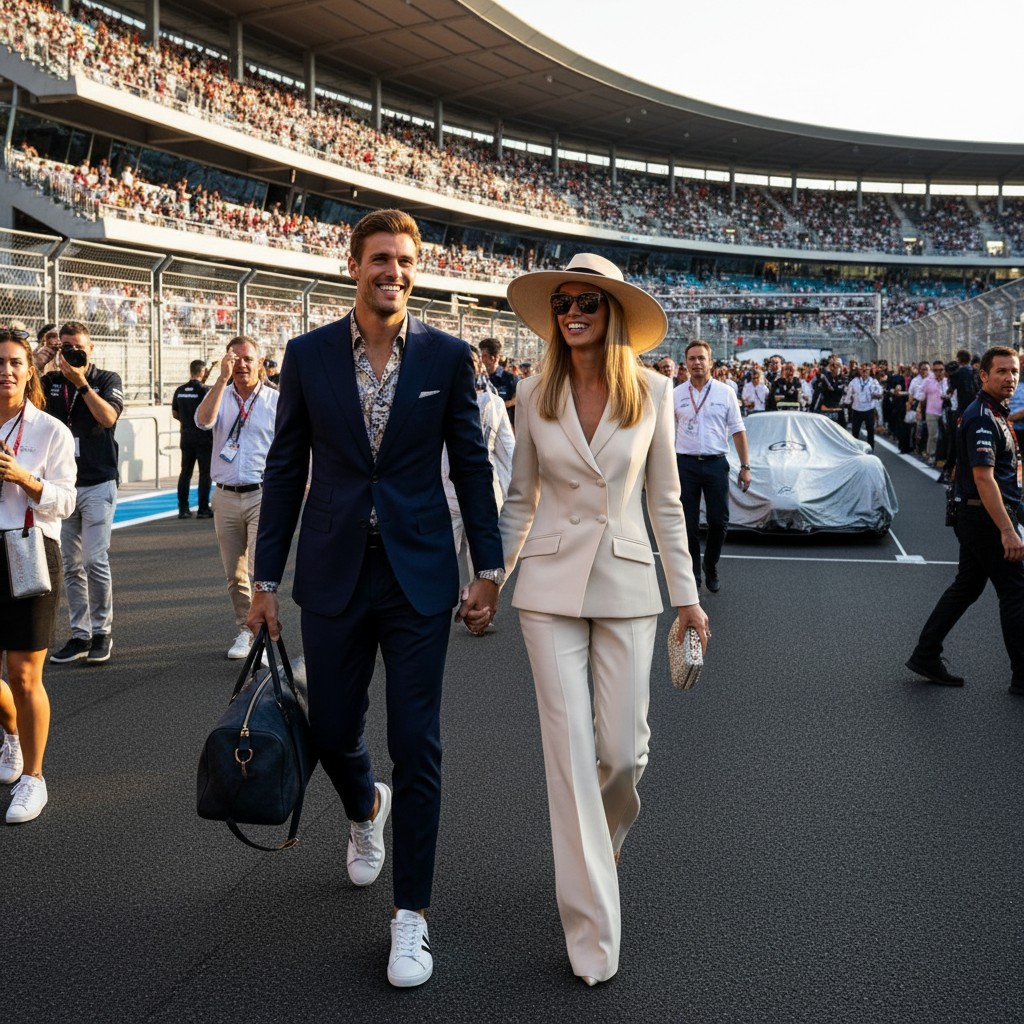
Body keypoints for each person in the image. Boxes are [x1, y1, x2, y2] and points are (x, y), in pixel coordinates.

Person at [246, 209, 503, 989]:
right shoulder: (307, 355)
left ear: (414, 271)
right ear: (352, 265)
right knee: (328, 729)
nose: (393, 271)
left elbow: (471, 468)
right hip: (331, 571)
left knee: (417, 743)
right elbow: (286, 470)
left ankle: (411, 918)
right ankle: (365, 810)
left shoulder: (450, 357)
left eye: (405, 261)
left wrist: (488, 569)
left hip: (419, 575)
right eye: (380, 259)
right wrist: (263, 582)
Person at [490, 253, 707, 986]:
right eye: (563, 303)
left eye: (587, 301)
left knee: (623, 752)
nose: (573, 311)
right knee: (570, 762)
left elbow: (667, 501)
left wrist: (688, 596)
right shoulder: (531, 390)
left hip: (629, 586)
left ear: (611, 310)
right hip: (546, 591)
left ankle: (600, 845)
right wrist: (492, 576)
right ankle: (592, 933)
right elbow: (520, 496)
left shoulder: (653, 390)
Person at [907, 346, 1024, 692]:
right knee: (1016, 591)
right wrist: (1007, 530)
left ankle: (926, 652)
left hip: (979, 512)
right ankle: (1022, 674)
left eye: (1014, 371)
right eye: (1001, 371)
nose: (1010, 378)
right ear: (983, 376)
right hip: (983, 515)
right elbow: (984, 477)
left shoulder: (996, 413)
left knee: (968, 587)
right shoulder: (981, 416)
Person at [0, 327, 76, 822]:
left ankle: (33, 777)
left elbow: (66, 501)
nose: (4, 371)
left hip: (27, 550)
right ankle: (10, 736)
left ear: (29, 372)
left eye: (13, 363)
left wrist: (25, 479)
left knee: (24, 675)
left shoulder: (50, 431)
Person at [37, 322, 123, 666]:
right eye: (65, 346)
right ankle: (80, 634)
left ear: (91, 349)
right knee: (71, 565)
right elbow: (19, 407)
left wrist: (82, 383)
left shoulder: (106, 379)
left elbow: (108, 417)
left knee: (93, 559)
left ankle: (102, 631)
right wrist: (35, 364)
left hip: (99, 480)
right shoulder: (50, 382)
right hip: (64, 484)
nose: (71, 352)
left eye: (78, 347)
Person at [195, 336, 278, 660]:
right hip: (226, 496)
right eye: (235, 358)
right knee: (234, 573)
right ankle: (247, 630)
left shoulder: (274, 401)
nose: (242, 364)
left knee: (261, 571)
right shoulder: (220, 395)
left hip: (262, 493)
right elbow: (202, 421)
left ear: (259, 363)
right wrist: (220, 380)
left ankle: (265, 637)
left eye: (248, 358)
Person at [675, 339, 751, 592]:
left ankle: (711, 564)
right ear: (685, 364)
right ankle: (694, 574)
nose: (697, 363)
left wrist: (745, 466)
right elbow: (665, 434)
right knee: (688, 524)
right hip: (685, 465)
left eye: (701, 358)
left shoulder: (725, 392)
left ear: (710, 362)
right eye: (692, 359)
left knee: (719, 523)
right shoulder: (675, 395)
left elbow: (738, 431)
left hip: (716, 464)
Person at [443, 346, 514, 589]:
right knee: (479, 551)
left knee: (452, 554)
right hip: (473, 490)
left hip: (457, 490)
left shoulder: (440, 397)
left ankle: (464, 599)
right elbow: (508, 451)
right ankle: (478, 603)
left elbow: (508, 450)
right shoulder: (493, 403)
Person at [171, 359, 213, 519]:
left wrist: (186, 420)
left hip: (186, 436)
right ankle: (203, 508)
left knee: (185, 472)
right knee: (204, 473)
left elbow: (175, 413)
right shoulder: (204, 390)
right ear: (202, 372)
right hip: (203, 437)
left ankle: (183, 508)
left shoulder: (179, 390)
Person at [844, 362, 884, 448]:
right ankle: (855, 449)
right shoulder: (854, 382)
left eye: (867, 370)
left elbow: (880, 393)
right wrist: (847, 403)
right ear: (859, 371)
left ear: (870, 371)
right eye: (862, 370)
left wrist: (877, 395)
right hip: (857, 409)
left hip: (869, 409)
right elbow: (848, 395)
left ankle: (871, 449)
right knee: (855, 432)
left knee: (870, 431)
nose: (864, 372)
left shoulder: (873, 382)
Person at [479, 337, 517, 424]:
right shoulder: (480, 379)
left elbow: (517, 401)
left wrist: (498, 406)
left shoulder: (511, 379)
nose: (481, 359)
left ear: (495, 358)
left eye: (484, 356)